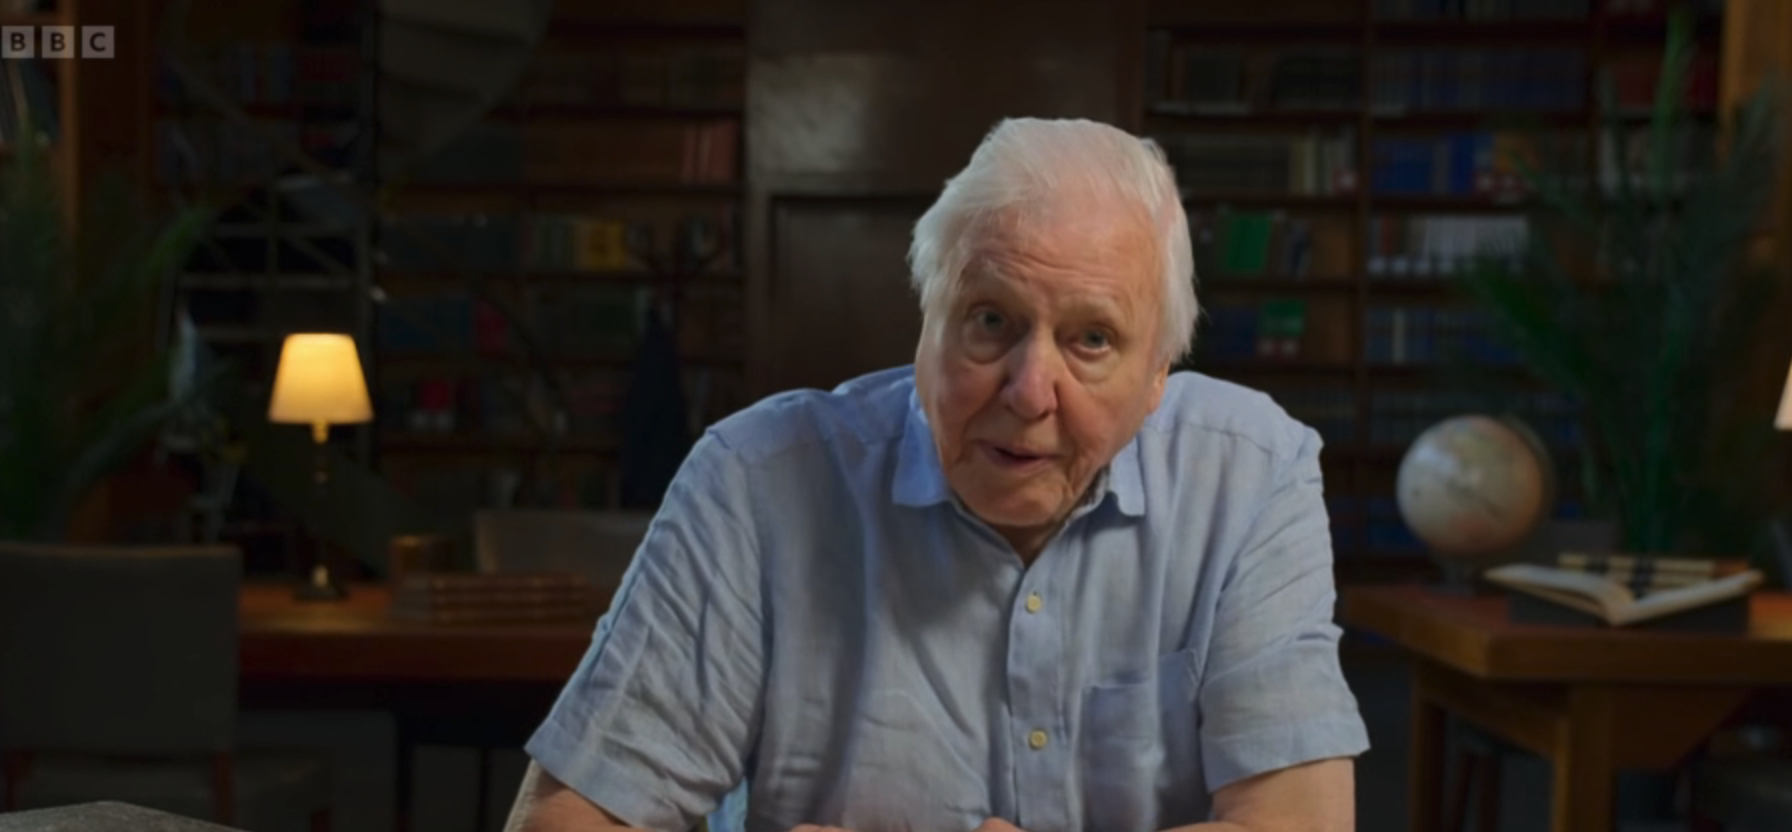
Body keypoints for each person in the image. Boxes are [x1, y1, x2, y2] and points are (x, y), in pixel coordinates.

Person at [504, 117, 1369, 832]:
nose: (1030, 392)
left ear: (1157, 381)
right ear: (925, 328)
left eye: (1092, 340)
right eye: (990, 320)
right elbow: (567, 816)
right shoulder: (754, 480)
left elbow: (1297, 822)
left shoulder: (1253, 474)